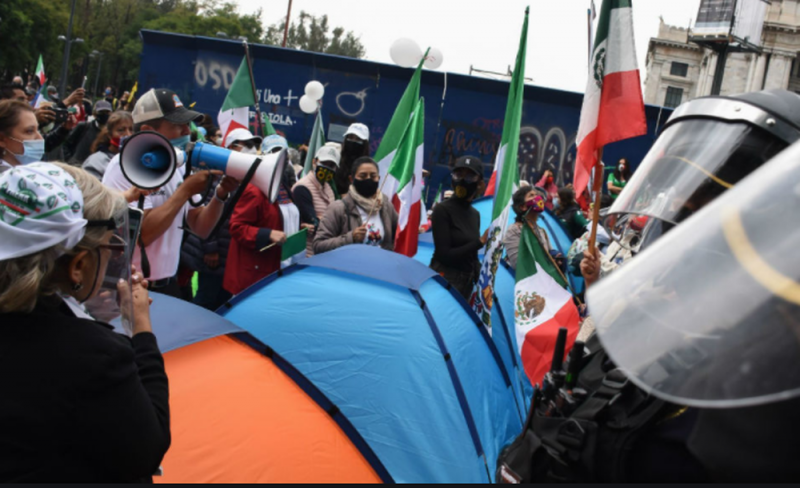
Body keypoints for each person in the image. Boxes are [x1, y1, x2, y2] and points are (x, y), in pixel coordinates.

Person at [0, 163, 169, 482]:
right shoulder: (95, 356)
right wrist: (141, 330)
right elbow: (147, 449)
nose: (115, 258)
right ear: (78, 265)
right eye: (110, 248)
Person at [102, 88, 238, 297]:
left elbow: (201, 227)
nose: (187, 130)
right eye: (177, 125)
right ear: (148, 130)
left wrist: (220, 194)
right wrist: (184, 191)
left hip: (168, 284)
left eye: (186, 123)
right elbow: (142, 236)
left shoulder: (178, 166)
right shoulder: (125, 167)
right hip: (130, 286)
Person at [429, 156, 488, 299]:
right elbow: (444, 255)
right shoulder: (442, 210)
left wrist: (484, 280)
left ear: (480, 182)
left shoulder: (475, 214)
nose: (462, 180)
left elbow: (471, 257)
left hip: (466, 283)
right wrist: (479, 242)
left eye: (469, 176)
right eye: (458, 174)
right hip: (445, 279)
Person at [314, 156, 398, 254]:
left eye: (373, 176)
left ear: (378, 178)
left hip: (381, 267)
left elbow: (399, 234)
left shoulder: (386, 206)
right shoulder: (338, 208)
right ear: (351, 179)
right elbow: (318, 245)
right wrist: (350, 238)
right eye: (363, 176)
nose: (368, 179)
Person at [292, 145, 340, 256]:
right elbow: (314, 225)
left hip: (325, 253)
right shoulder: (302, 188)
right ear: (314, 162)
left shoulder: (329, 189)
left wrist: (324, 219)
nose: (327, 168)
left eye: (331, 165)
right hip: (308, 254)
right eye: (324, 163)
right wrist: (330, 220)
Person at [504, 187, 550, 270]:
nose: (537, 198)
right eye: (531, 195)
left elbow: (550, 253)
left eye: (537, 194)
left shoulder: (541, 230)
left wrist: (557, 257)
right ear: (522, 207)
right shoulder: (514, 230)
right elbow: (518, 264)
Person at [82, 110, 133, 180]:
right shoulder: (96, 162)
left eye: (131, 130)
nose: (128, 134)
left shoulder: (137, 160)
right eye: (121, 130)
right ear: (109, 135)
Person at [63, 100, 113, 166]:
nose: (104, 114)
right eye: (101, 112)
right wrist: (70, 161)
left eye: (107, 112)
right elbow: (66, 144)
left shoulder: (112, 132)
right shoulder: (83, 127)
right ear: (95, 113)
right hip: (78, 166)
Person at [333, 122, 370, 196]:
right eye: (351, 137)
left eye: (358, 139)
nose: (353, 141)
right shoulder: (335, 159)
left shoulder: (369, 167)